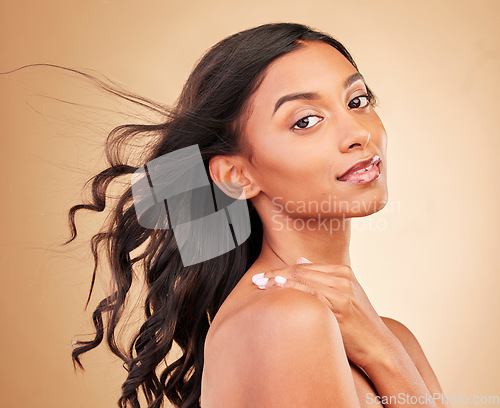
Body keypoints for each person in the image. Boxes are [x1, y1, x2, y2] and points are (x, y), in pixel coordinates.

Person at [68, 22, 449, 408]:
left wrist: (382, 349)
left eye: (357, 100)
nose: (358, 133)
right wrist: (383, 355)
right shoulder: (288, 319)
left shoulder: (390, 337)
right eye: (305, 120)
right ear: (238, 175)